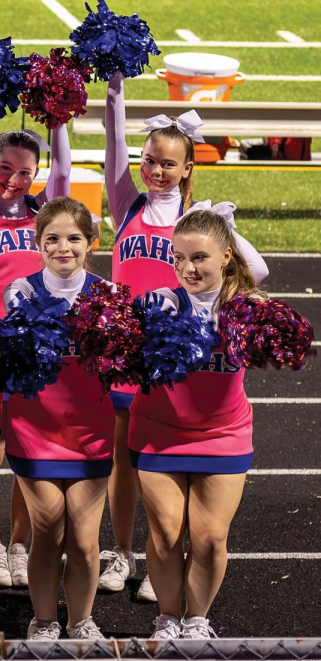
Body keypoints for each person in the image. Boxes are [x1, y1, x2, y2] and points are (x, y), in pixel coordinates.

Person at [101, 82, 268, 601]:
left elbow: (256, 271)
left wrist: (226, 229)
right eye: (149, 160)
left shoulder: (198, 225)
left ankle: (160, 566)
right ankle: (122, 552)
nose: (154, 170)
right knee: (122, 461)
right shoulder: (126, 206)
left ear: (187, 169)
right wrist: (115, 86)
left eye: (167, 164)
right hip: (132, 352)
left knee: (161, 466)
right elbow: (112, 142)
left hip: (183, 363)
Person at [131, 205, 261, 640]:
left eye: (200, 257)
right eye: (178, 258)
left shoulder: (247, 307)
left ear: (226, 256)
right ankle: (168, 615)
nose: (187, 267)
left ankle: (198, 618)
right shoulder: (159, 303)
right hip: (158, 431)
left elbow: (256, 267)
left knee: (208, 539)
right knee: (167, 534)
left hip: (223, 434)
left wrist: (226, 229)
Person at [0, 108, 70, 590]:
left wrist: (58, 113)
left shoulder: (47, 211)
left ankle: (20, 543)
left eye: (25, 172)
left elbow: (64, 167)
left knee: (27, 451)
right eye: (5, 169)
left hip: (36, 352)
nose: (14, 180)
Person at [1, 197, 114, 641]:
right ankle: (44, 620)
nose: (63, 247)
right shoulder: (21, 292)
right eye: (52, 239)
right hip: (36, 430)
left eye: (73, 238)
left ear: (91, 242)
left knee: (85, 544)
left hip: (90, 432)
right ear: (37, 243)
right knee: (47, 528)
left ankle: (81, 620)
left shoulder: (108, 296)